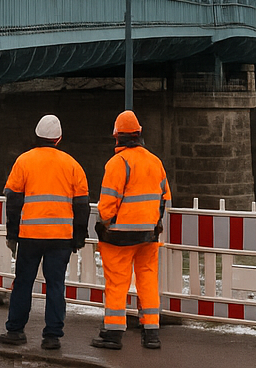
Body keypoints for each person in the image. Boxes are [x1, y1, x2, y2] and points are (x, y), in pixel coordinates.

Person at [0, 114, 89, 351]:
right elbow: (81, 205)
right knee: (56, 285)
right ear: (58, 138)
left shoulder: (23, 161)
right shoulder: (72, 164)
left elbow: (13, 201)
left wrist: (11, 234)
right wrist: (79, 236)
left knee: (23, 283)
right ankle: (52, 336)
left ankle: (15, 331)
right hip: (61, 237)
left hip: (30, 235)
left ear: (36, 136)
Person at [92, 109, 170, 351]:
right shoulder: (155, 162)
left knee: (117, 283)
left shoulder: (117, 163)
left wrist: (104, 223)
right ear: (139, 133)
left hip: (119, 236)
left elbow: (106, 205)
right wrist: (154, 223)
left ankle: (113, 334)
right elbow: (164, 198)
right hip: (148, 234)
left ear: (116, 136)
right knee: (147, 281)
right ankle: (151, 334)